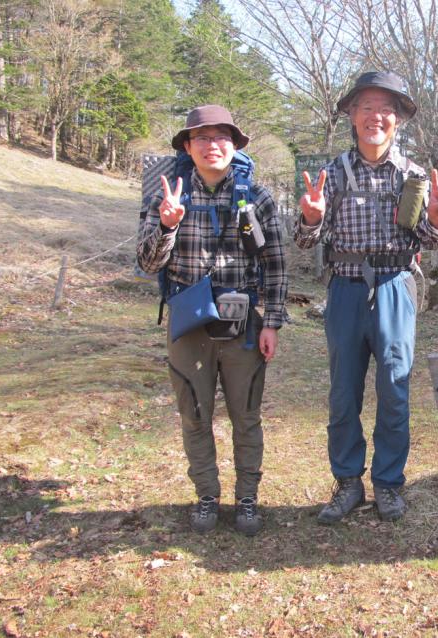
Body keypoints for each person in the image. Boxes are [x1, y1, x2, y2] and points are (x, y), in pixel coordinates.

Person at [294, 71, 438, 523]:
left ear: (399, 120)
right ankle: (348, 484)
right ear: (351, 114)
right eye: (366, 107)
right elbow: (306, 242)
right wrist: (310, 218)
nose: (376, 117)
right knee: (343, 393)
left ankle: (388, 484)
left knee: (395, 391)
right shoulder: (331, 175)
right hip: (344, 290)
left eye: (386, 109)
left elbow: (431, 238)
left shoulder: (416, 177)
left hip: (395, 287)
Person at [138, 105, 287, 535]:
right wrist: (167, 225)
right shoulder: (168, 197)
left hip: (244, 325)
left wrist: (272, 323)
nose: (212, 145)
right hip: (189, 323)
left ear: (235, 145)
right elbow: (147, 264)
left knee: (246, 414)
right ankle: (206, 495)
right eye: (202, 137)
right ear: (188, 146)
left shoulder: (256, 198)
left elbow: (275, 263)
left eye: (222, 137)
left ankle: (247, 498)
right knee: (195, 414)